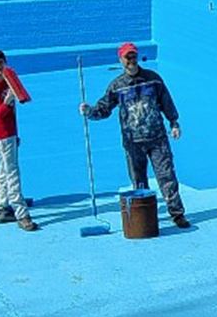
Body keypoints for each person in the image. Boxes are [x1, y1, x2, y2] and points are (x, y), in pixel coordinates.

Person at [79, 42, 190, 228]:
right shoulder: (116, 86)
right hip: (133, 143)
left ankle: (177, 214)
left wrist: (174, 122)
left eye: (133, 56)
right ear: (120, 60)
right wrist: (89, 111)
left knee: (167, 176)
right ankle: (146, 214)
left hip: (158, 139)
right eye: (127, 57)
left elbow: (166, 102)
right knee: (138, 181)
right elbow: (104, 109)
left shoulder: (153, 79)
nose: (131, 60)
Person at [0, 50, 38, 231]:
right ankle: (21, 212)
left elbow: (11, 115)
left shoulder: (7, 80)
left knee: (3, 171)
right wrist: (8, 99)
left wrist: (15, 134)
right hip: (1, 136)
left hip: (8, 134)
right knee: (12, 172)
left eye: (1, 63)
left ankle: (2, 206)